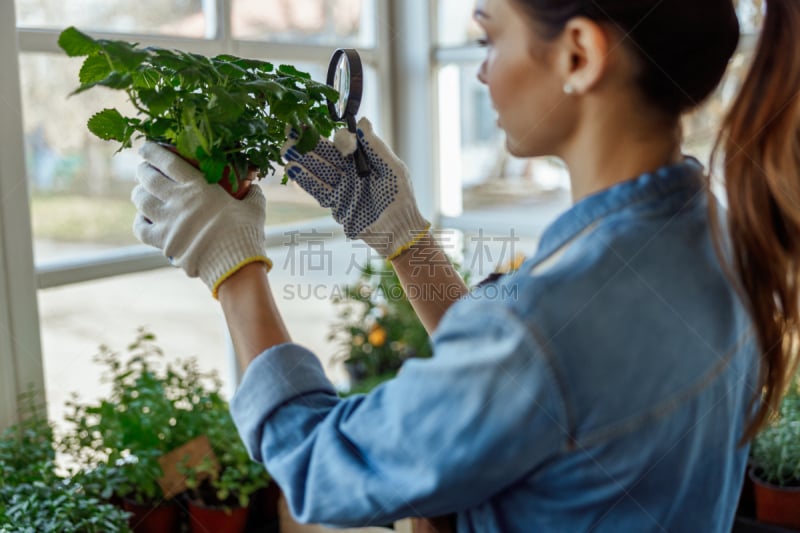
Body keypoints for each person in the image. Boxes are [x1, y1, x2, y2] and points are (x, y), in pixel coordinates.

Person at [130, 0, 800, 530]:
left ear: (579, 53)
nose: (482, 71)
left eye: (489, 37)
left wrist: (234, 267)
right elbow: (532, 400)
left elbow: (320, 466)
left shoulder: (550, 325)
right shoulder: (715, 230)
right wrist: (405, 240)